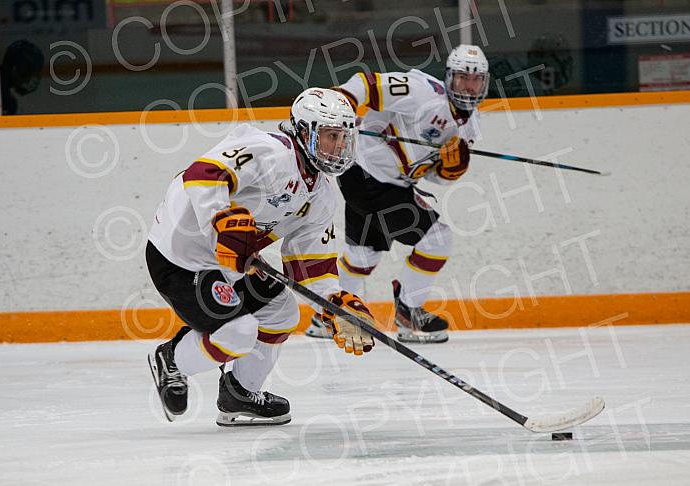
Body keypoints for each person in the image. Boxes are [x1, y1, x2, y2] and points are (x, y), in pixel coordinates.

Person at [146, 88, 376, 426]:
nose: (340, 146)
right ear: (305, 132)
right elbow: (202, 175)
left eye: (344, 137)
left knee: (281, 313)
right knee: (237, 332)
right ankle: (172, 361)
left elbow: (310, 266)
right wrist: (222, 219)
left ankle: (239, 393)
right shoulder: (267, 151)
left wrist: (335, 302)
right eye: (331, 136)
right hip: (180, 255)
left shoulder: (323, 195)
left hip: (230, 263)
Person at [305, 45, 488, 344]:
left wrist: (450, 171)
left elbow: (432, 175)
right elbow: (366, 84)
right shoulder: (422, 91)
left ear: (485, 83)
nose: (469, 86)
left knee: (363, 253)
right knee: (437, 239)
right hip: (368, 176)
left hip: (378, 180)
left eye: (476, 80)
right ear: (449, 78)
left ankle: (328, 316)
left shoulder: (471, 126)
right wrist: (338, 111)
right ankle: (409, 311)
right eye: (462, 78)